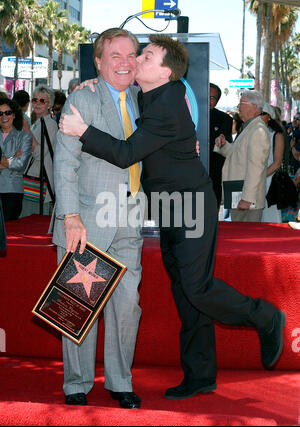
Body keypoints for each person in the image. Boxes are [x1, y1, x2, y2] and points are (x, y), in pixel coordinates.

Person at [59, 34, 286, 400]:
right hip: (166, 206)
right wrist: (92, 83)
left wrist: (82, 130)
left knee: (196, 287)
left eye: (143, 56)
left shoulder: (165, 101)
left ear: (165, 71)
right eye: (129, 55)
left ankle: (265, 317)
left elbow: (126, 152)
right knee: (186, 293)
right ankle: (200, 375)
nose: (134, 61)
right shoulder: (146, 94)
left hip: (190, 206)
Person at [52, 28, 144, 409]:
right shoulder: (82, 97)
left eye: (131, 55)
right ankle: (77, 382)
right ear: (99, 62)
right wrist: (70, 216)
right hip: (86, 220)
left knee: (126, 307)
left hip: (131, 219)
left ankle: (121, 381)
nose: (124, 62)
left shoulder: (145, 99)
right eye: (115, 56)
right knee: (79, 303)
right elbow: (66, 161)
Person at [214, 90, 270, 222]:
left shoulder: (258, 130)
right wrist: (223, 145)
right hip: (238, 194)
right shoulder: (249, 127)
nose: (238, 107)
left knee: (245, 238)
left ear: (254, 107)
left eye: (241, 103)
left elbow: (256, 168)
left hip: (246, 200)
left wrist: (247, 198)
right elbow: (239, 156)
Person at [21, 85, 57, 217]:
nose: (37, 103)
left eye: (42, 101)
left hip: (38, 182)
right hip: (32, 180)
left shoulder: (50, 125)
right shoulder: (37, 123)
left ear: (49, 104)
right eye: (35, 100)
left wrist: (27, 130)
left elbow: (39, 155)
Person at [0, 98, 32, 221]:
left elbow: (20, 164)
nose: (4, 117)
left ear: (13, 115)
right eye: (0, 113)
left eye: (7, 112)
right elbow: (15, 162)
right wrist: (11, 158)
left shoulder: (25, 136)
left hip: (12, 191)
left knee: (9, 231)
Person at [209, 83, 233, 208]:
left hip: (215, 173)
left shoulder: (225, 119)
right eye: (206, 96)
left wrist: (221, 142)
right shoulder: (187, 115)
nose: (209, 100)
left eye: (213, 98)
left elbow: (226, 147)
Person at [260, 103, 284, 223]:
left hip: (270, 182)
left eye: (263, 114)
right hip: (254, 182)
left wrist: (260, 176)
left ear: (269, 116)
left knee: (270, 217)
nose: (259, 116)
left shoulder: (276, 135)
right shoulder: (250, 132)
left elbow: (277, 163)